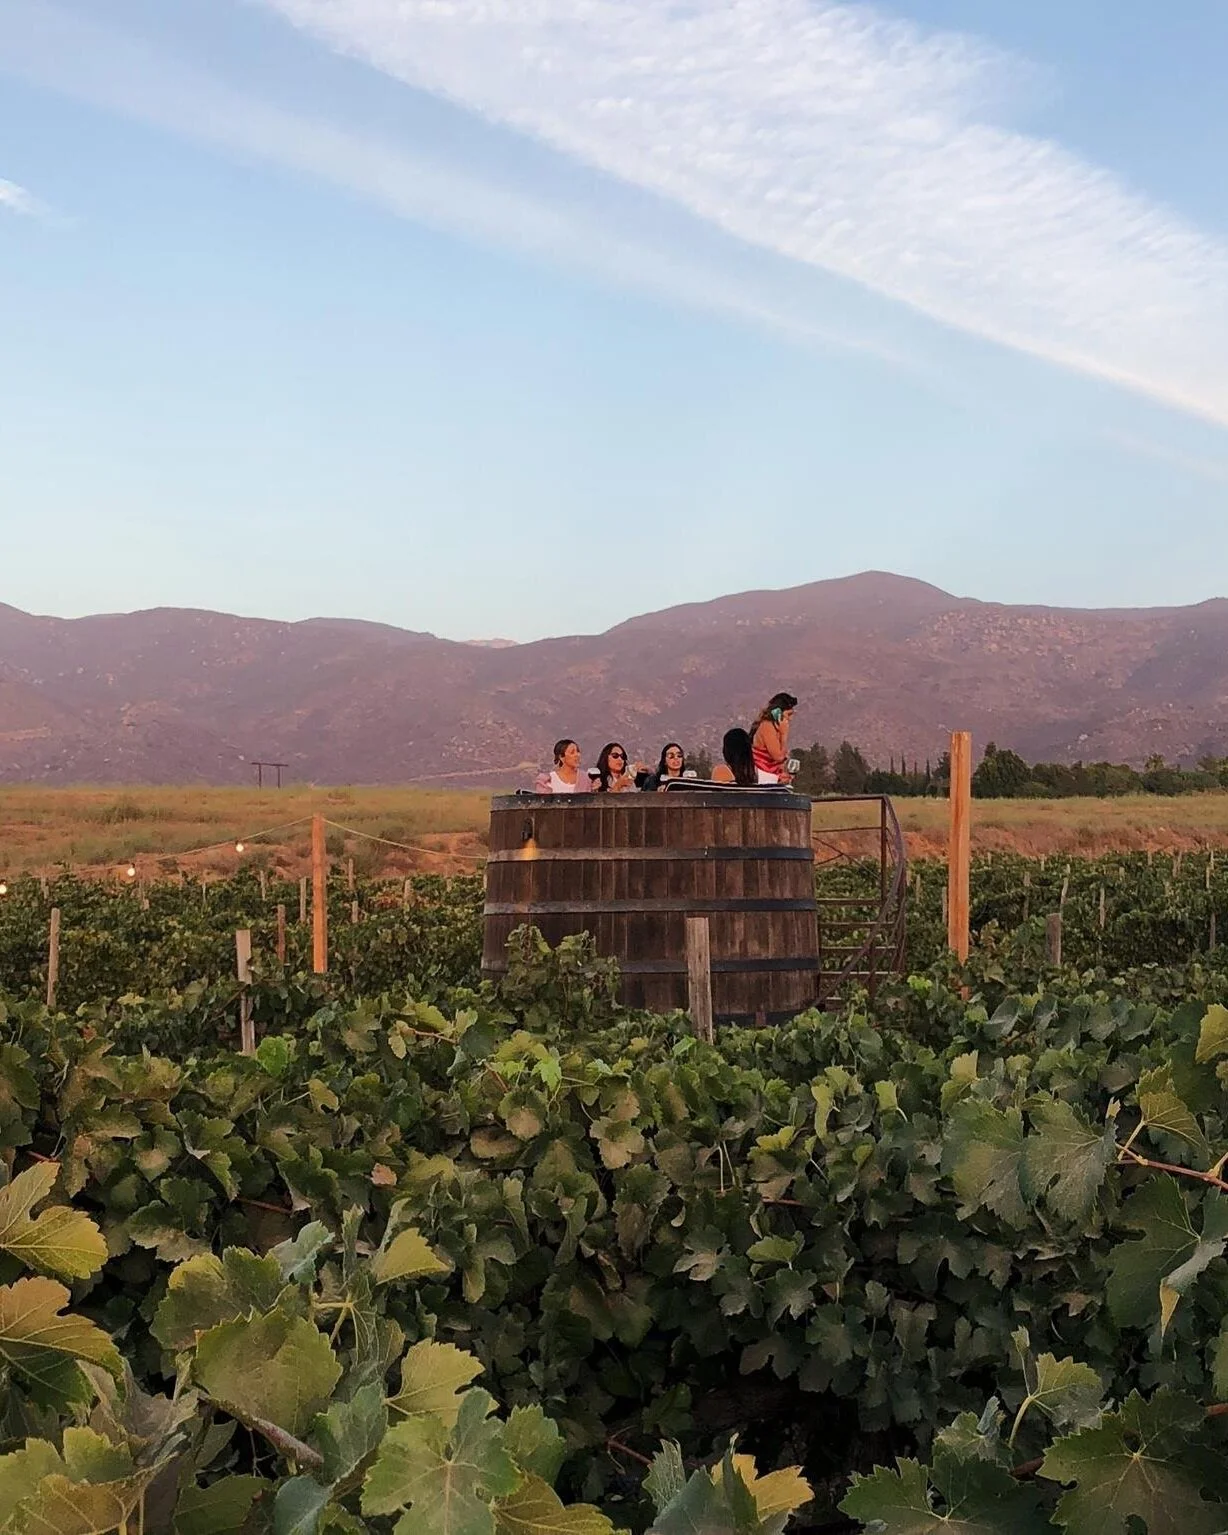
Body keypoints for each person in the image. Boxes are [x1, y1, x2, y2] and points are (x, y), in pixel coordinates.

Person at [751, 692, 798, 783]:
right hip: (761, 775)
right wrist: (784, 734)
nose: (790, 719)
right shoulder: (767, 727)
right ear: (777, 713)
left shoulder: (777, 729)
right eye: (788, 715)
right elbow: (779, 757)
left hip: (772, 774)